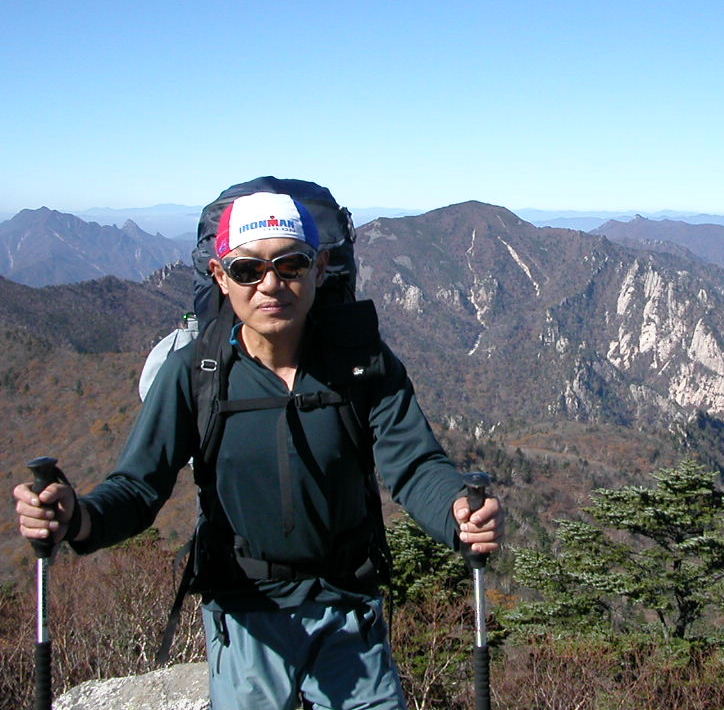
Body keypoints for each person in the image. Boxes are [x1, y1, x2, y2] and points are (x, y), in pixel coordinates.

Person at [13, 184, 503, 710]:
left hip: (349, 606)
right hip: (244, 609)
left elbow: (414, 463)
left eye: (291, 265)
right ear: (220, 277)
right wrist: (78, 517)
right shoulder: (194, 376)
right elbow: (137, 486)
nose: (271, 284)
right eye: (248, 270)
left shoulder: (363, 365)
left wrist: (457, 512)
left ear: (320, 268)